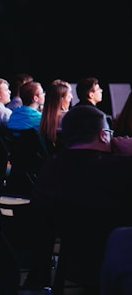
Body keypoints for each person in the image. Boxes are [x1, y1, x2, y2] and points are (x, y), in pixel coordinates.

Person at [26, 105, 132, 290]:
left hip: (72, 265)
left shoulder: (50, 168)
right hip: (120, 266)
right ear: (103, 135)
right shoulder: (122, 169)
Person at [38, 79, 72, 154]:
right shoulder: (69, 118)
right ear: (61, 99)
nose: (71, 98)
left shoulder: (44, 119)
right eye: (69, 96)